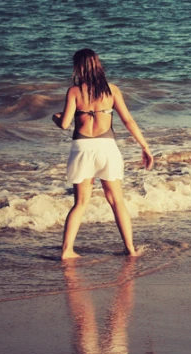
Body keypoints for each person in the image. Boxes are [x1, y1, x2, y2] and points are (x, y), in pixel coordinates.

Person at [53, 48, 154, 260]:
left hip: (82, 149)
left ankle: (67, 251)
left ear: (77, 67)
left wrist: (56, 117)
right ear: (98, 65)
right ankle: (130, 249)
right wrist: (145, 147)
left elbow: (64, 124)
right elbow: (128, 121)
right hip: (107, 149)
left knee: (80, 203)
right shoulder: (112, 90)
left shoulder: (74, 91)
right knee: (117, 200)